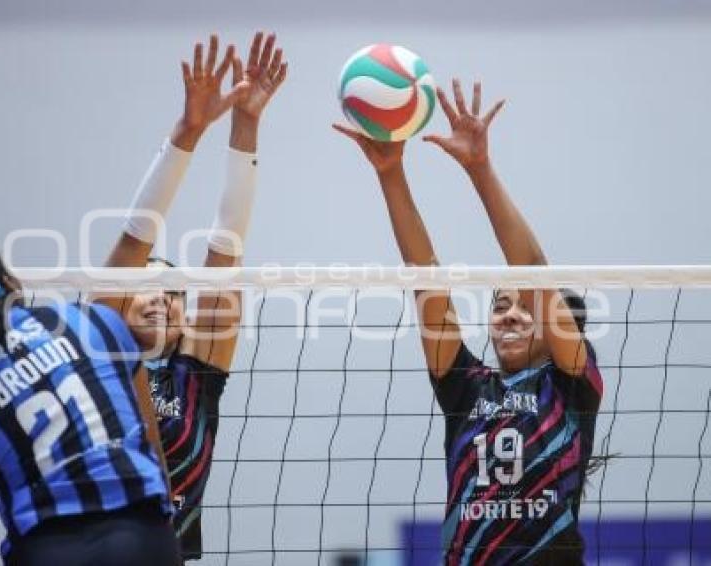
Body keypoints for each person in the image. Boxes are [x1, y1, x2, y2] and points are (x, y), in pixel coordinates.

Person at [335, 79, 602, 565]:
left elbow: (534, 270)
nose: (513, 314)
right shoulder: (464, 386)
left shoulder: (571, 385)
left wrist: (479, 169)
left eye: (526, 306)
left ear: (551, 322)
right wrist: (391, 174)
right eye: (501, 306)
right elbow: (426, 280)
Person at [99, 32, 287, 561]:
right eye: (146, 288)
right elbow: (135, 237)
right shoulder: (97, 355)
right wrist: (187, 132)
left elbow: (227, 244)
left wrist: (244, 125)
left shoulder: (196, 379)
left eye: (175, 293)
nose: (161, 299)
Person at [0, 234, 179, 566]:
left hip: (48, 551)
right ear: (11, 283)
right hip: (144, 538)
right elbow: (154, 456)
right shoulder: (94, 322)